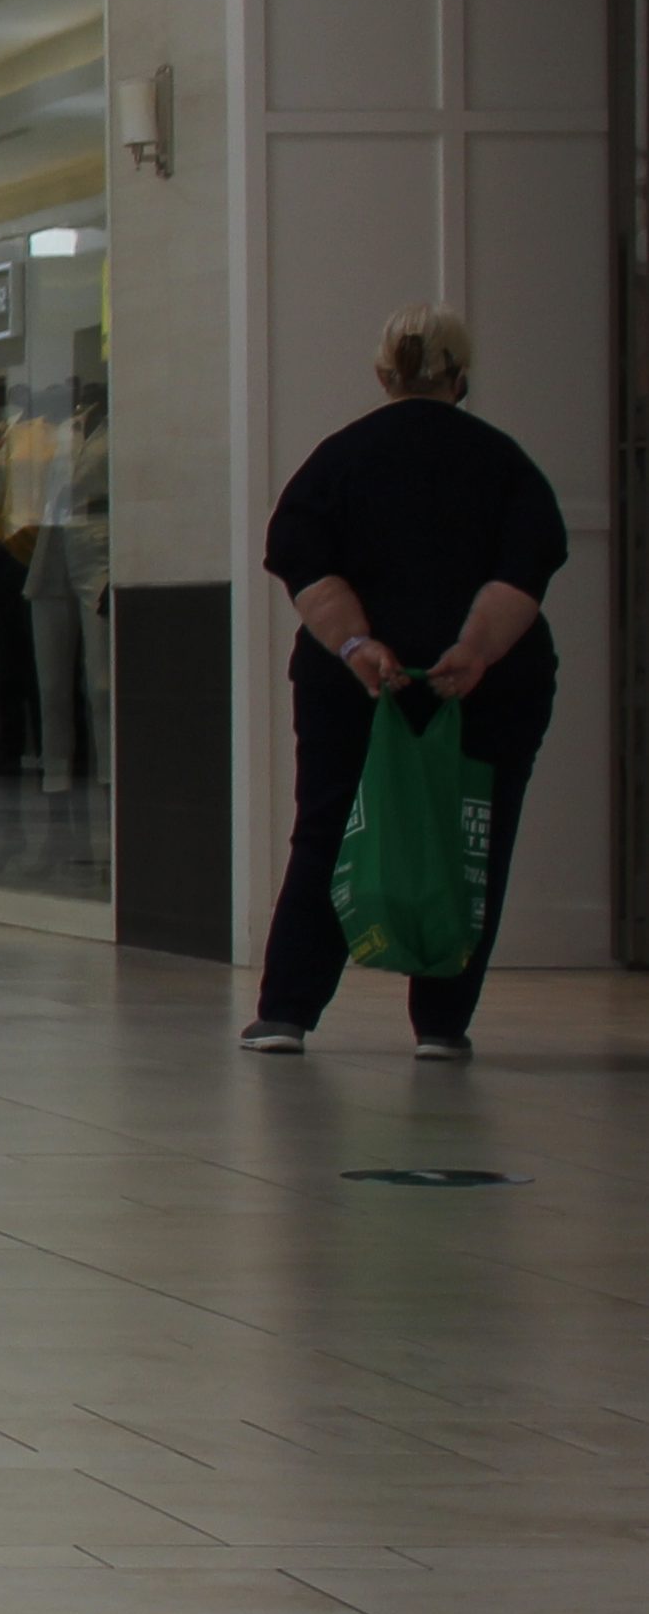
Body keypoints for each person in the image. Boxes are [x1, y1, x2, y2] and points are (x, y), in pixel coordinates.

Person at [241, 306, 570, 1061]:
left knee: (327, 826)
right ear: (460, 377)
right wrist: (473, 650)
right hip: (489, 685)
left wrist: (357, 645)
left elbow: (302, 560)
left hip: (353, 684)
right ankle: (441, 1024)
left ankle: (286, 1011)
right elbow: (524, 569)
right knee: (474, 833)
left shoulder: (338, 458)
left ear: (383, 374)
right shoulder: (503, 462)